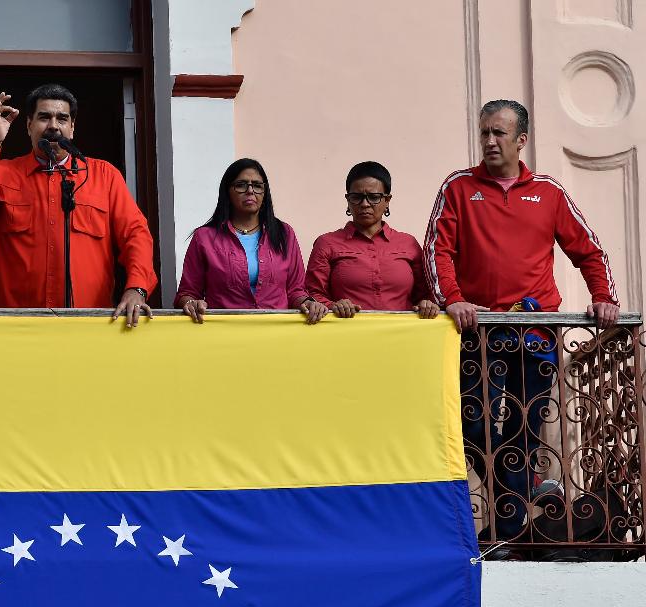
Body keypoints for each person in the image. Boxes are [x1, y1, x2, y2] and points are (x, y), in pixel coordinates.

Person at [424, 98, 619, 543]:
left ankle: (508, 525)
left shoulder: (548, 192)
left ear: (521, 140)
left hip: (534, 333)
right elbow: (438, 250)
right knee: (469, 424)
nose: (490, 142)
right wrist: (452, 299)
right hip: (475, 334)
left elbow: (589, 251)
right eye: (484, 133)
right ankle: (515, 519)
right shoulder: (458, 187)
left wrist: (603, 298)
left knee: (525, 430)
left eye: (499, 134)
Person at [0, 85, 157, 326]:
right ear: (29, 125)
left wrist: (137, 288)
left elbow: (135, 234)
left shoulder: (104, 176)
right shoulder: (2, 172)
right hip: (12, 324)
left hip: (89, 324)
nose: (53, 125)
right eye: (44, 117)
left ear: (72, 128)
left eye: (62, 118)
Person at [175, 158, 327, 324]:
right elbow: (187, 293)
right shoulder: (204, 237)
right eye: (241, 185)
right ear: (227, 191)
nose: (250, 191)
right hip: (224, 332)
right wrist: (191, 303)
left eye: (257, 185)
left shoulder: (284, 233)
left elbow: (295, 290)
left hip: (277, 332)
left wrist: (309, 303)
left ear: (264, 192)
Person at [306, 161, 438, 319]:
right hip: (346, 336)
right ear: (347, 200)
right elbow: (313, 294)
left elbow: (424, 294)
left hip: (402, 336)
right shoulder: (327, 243)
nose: (364, 204)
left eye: (374, 197)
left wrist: (427, 304)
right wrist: (332, 306)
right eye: (356, 197)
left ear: (387, 200)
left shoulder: (408, 243)